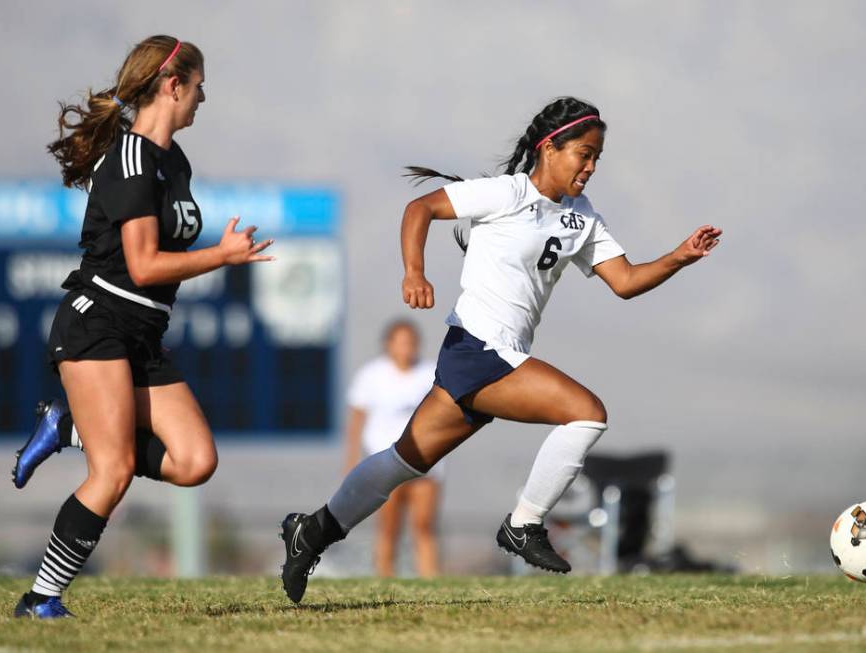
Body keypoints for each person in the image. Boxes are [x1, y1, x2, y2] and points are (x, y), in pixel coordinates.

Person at [278, 96, 721, 603]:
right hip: (478, 347)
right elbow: (419, 208)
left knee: (404, 461)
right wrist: (414, 272)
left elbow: (624, 281)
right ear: (549, 148)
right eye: (584, 153)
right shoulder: (505, 193)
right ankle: (523, 525)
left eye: (598, 156)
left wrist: (680, 258)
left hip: (491, 354)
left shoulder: (582, 217)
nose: (592, 166)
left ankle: (309, 532)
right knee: (586, 414)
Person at [11, 35, 274, 619]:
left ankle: (68, 426)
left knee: (194, 460)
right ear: (172, 84)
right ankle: (41, 599)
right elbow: (143, 266)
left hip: (143, 335)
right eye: (199, 85)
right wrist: (221, 257)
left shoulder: (173, 160)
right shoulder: (131, 157)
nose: (204, 98)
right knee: (114, 472)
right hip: (97, 324)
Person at [344, 320, 441, 577]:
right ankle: (386, 577)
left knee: (424, 525)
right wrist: (352, 459)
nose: (405, 347)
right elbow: (356, 420)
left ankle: (430, 578)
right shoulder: (372, 375)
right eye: (400, 341)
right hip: (386, 463)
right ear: (388, 345)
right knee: (388, 526)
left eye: (410, 341)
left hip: (425, 464)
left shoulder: (431, 373)